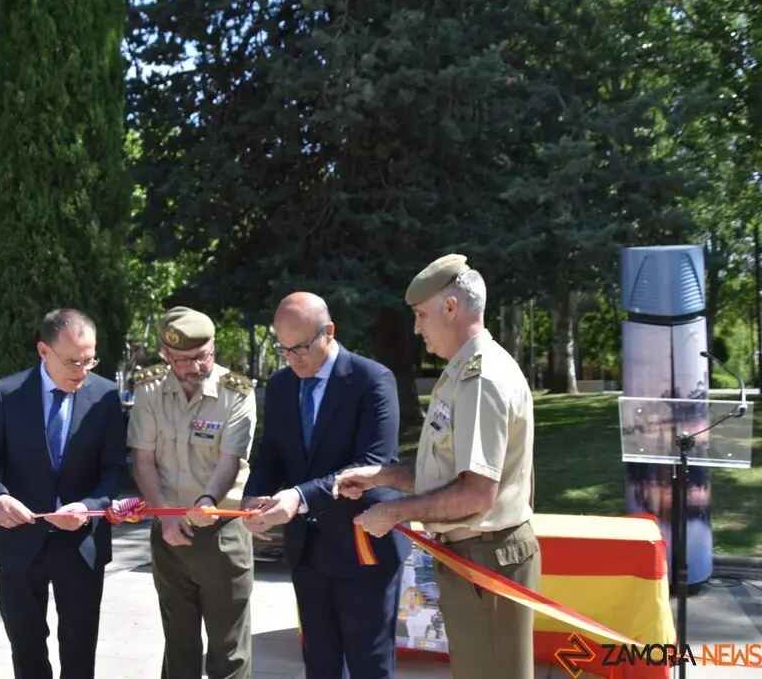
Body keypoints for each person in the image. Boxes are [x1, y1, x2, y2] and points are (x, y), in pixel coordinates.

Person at [332, 254, 540, 679]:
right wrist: (385, 477)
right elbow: (453, 476)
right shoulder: (461, 372)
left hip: (488, 556)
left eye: (421, 315)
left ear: (451, 308)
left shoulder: (481, 379)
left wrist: (393, 512)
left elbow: (477, 494)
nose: (416, 328)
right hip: (474, 556)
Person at [242, 292, 410, 679]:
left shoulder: (371, 379)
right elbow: (272, 454)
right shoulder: (282, 385)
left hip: (363, 545)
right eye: (284, 349)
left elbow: (373, 464)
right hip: (308, 551)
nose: (292, 358)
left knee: (369, 664)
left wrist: (299, 497)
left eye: (300, 347)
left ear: (328, 332)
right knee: (318, 662)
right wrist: (255, 495)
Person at [0, 308, 128, 679]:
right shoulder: (8, 394)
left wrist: (88, 508)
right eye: (73, 361)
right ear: (44, 351)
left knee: (79, 649)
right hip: (20, 543)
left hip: (81, 546)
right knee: (26, 649)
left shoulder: (104, 396)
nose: (82, 371)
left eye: (90, 360)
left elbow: (113, 471)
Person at [128, 306, 257, 679]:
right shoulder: (150, 389)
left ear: (213, 346)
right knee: (179, 645)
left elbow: (230, 461)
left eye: (203, 355)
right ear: (166, 356)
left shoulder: (236, 393)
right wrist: (167, 516)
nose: (195, 367)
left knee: (228, 650)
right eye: (183, 360)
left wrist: (207, 501)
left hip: (220, 533)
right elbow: (144, 460)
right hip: (168, 531)